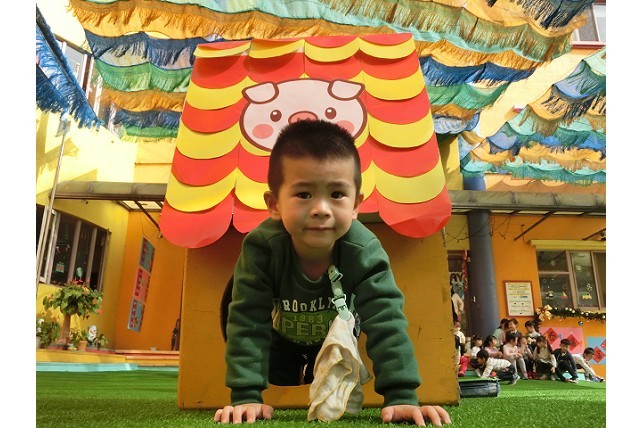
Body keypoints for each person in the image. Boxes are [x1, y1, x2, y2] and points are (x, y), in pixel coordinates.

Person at [214, 120, 451, 426]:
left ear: (356, 205)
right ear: (274, 204)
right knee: (279, 363)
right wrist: (246, 396)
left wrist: (401, 395)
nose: (321, 209)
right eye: (303, 195)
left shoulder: (363, 250)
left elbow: (386, 320)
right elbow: (247, 320)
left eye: (337, 194)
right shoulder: (263, 248)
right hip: (280, 341)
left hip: (337, 339)